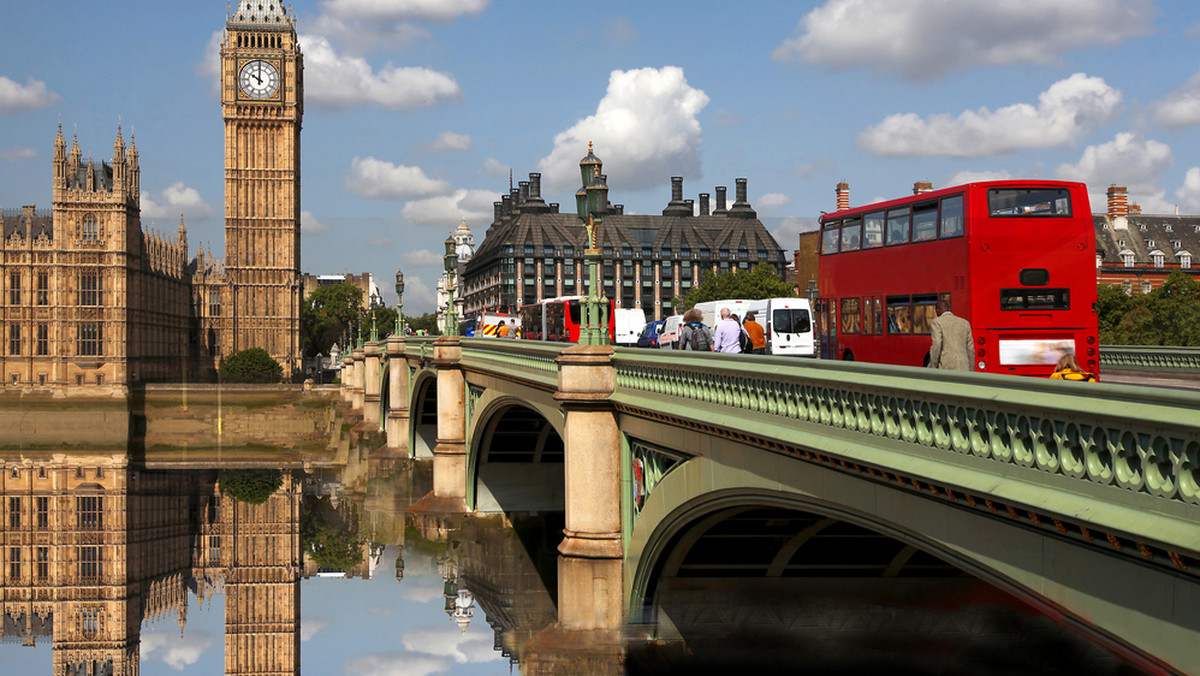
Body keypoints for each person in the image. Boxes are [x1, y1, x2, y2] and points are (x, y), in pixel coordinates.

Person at [928, 299, 973, 370]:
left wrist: (933, 365)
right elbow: (970, 349)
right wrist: (971, 369)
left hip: (946, 366)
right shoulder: (965, 323)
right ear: (949, 309)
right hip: (964, 366)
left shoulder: (937, 322)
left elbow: (937, 344)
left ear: (937, 310)